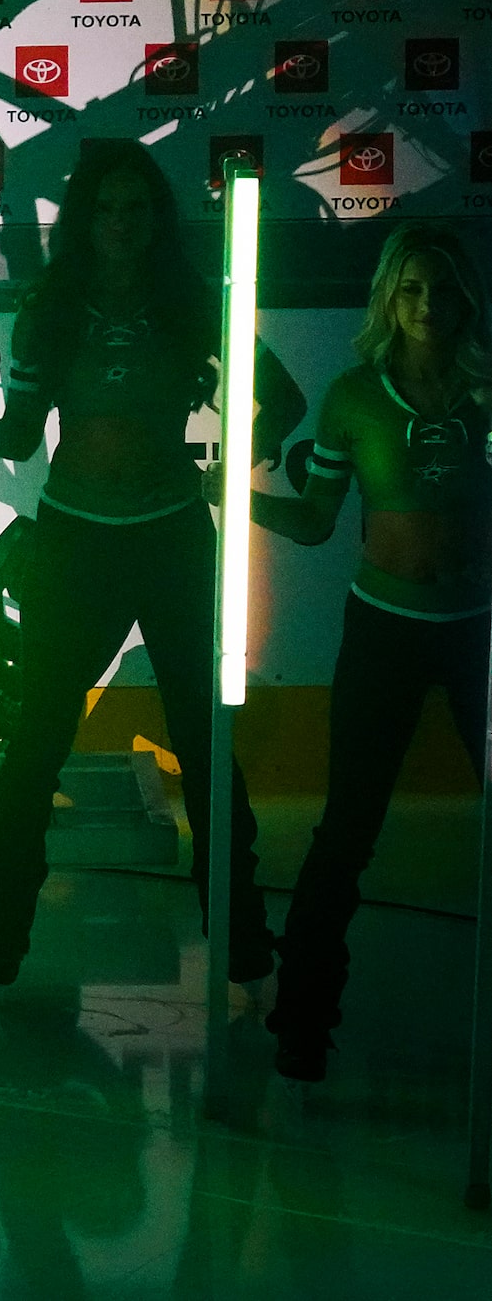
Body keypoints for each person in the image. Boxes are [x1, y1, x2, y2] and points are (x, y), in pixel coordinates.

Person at [0, 141, 301, 985]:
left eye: (137, 209)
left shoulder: (189, 304)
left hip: (169, 535)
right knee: (39, 736)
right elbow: (16, 433)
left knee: (201, 737)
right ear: (85, 219)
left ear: (157, 220)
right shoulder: (51, 310)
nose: (121, 224)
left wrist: (230, 465)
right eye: (106, 209)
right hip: (76, 538)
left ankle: (238, 932)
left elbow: (284, 399)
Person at [251, 223, 491, 1080]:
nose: (429, 306)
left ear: (466, 299)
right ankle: (301, 1022)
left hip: (475, 630)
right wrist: (235, 498)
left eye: (443, 290)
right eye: (413, 290)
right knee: (347, 827)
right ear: (389, 298)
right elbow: (315, 524)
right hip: (382, 627)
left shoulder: (484, 391)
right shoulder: (353, 397)